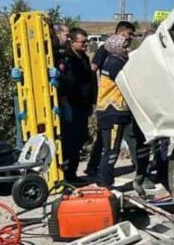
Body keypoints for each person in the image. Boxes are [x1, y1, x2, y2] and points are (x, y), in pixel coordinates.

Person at [93, 22, 152, 192]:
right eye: (125, 46)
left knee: (123, 146)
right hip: (112, 112)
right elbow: (129, 83)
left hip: (119, 112)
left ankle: (117, 179)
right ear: (117, 46)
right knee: (111, 149)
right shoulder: (115, 62)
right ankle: (104, 182)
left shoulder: (117, 60)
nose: (127, 48)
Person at [56, 27, 96, 183]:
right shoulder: (66, 59)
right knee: (70, 142)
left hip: (83, 106)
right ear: (72, 42)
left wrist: (92, 101)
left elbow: (89, 82)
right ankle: (67, 175)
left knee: (80, 139)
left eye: (87, 41)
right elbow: (66, 82)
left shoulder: (84, 58)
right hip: (71, 106)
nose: (86, 44)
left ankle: (72, 173)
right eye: (83, 42)